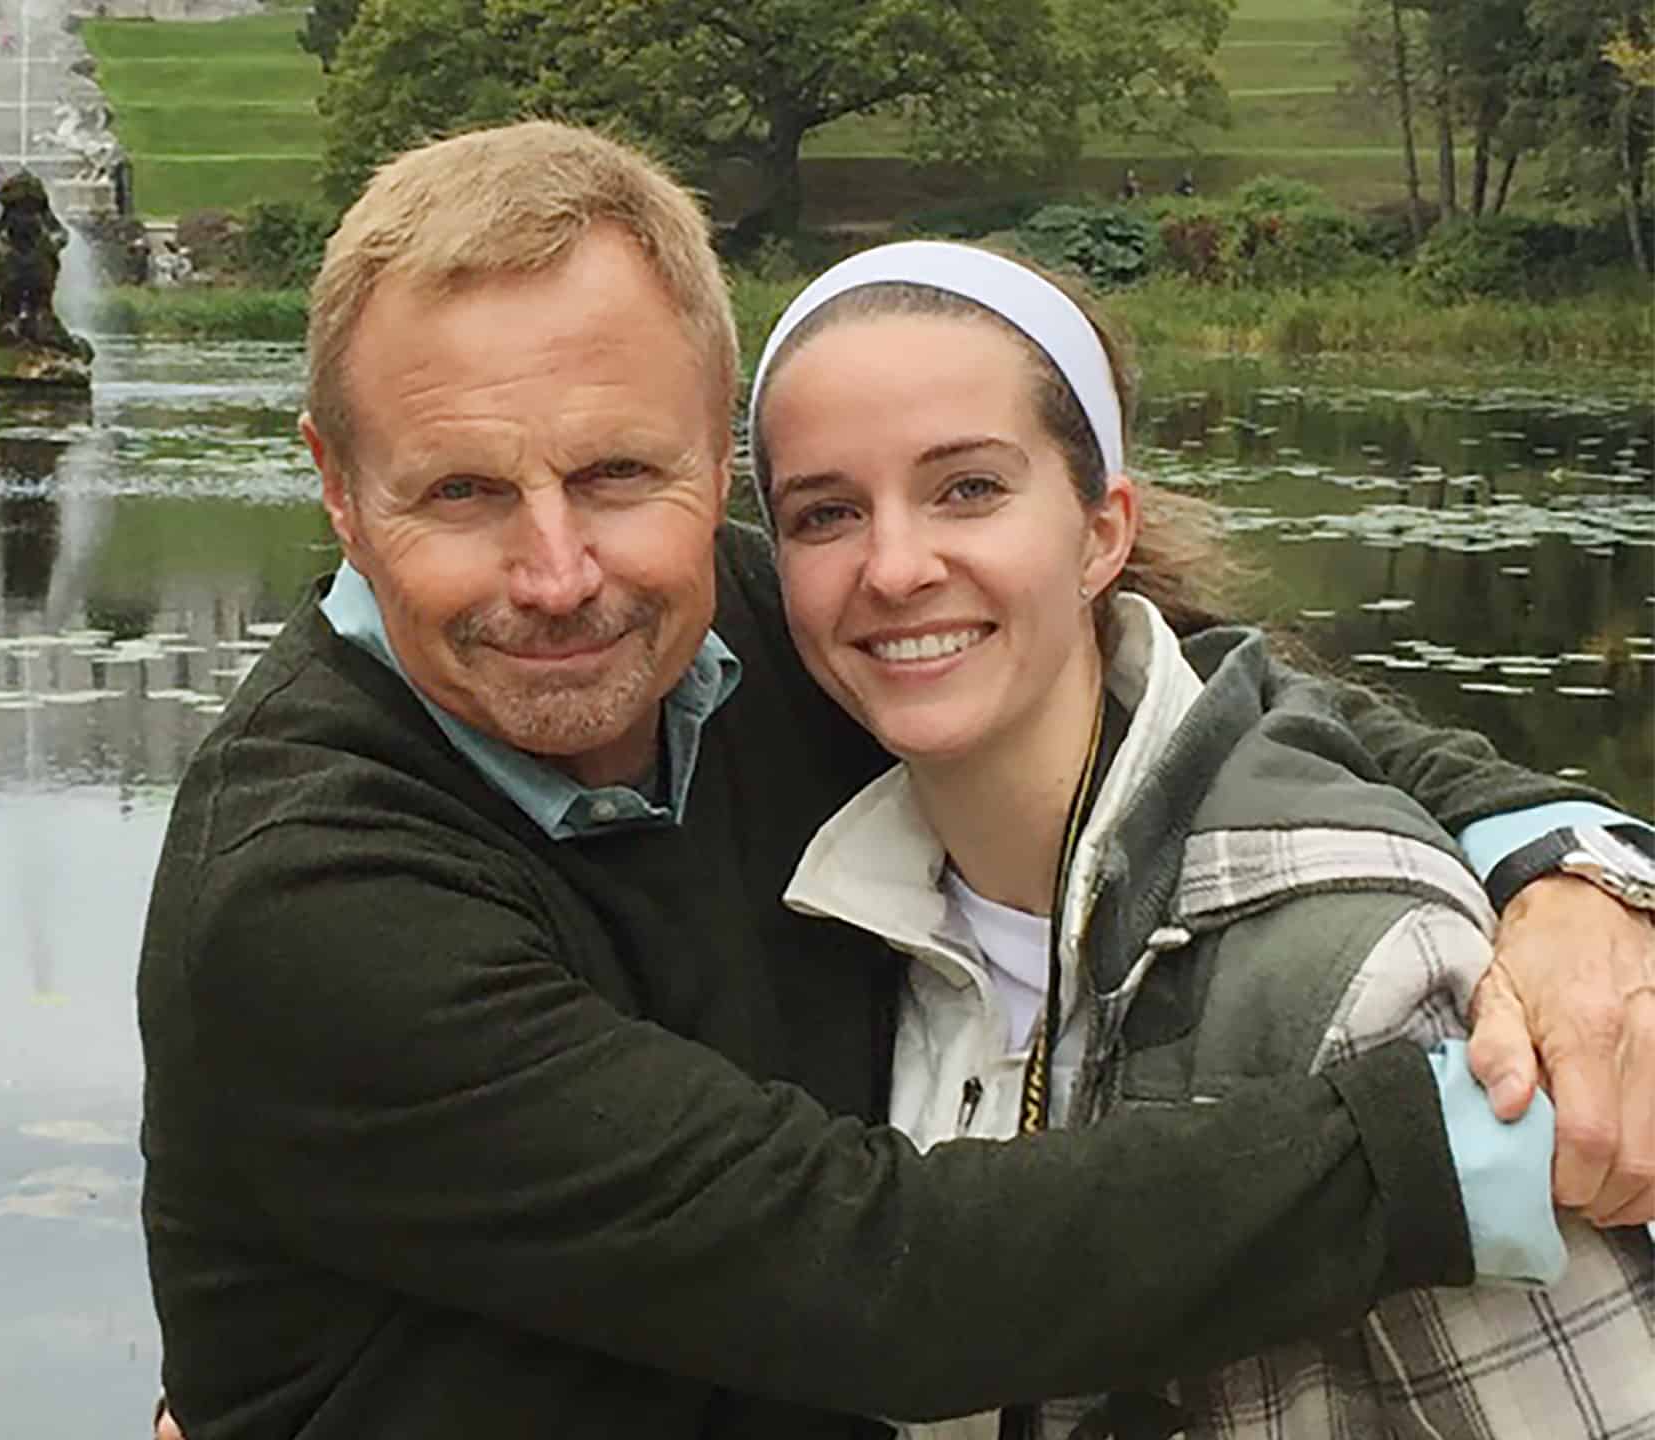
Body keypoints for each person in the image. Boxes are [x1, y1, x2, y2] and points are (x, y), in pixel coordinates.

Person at [137, 121, 1655, 1439]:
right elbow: (881, 1278)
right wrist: (1466, 1139)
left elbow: (1203, 688)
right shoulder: (303, 888)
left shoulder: (756, 619)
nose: (557, 573)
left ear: (710, 466)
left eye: (616, 474)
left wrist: (1570, 861)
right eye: (460, 491)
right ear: (336, 487)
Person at [753, 240, 1655, 1439]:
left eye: (967, 487)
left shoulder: (1369, 980)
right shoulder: (815, 904)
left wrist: (1587, 863)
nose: (896, 565)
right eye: (825, 512)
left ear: (1100, 532)